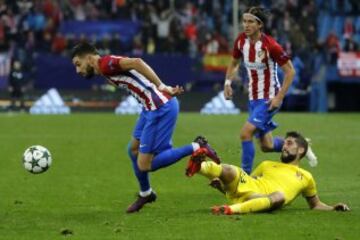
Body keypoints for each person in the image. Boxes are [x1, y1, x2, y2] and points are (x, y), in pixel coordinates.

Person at [71, 42, 220, 213]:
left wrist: (162, 87)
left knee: (145, 165)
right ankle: (146, 193)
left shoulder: (106, 64)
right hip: (149, 108)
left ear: (89, 58)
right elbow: (130, 76)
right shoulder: (104, 68)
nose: (78, 71)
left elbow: (137, 63)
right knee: (132, 150)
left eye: (78, 64)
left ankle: (197, 146)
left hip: (159, 107)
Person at [223, 6, 317, 174]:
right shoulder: (240, 41)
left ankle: (244, 178)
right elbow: (234, 62)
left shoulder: (270, 46)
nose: (246, 25)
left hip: (269, 98)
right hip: (253, 98)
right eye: (244, 21)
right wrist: (227, 83)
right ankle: (303, 145)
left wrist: (279, 98)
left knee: (245, 134)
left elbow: (290, 71)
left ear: (260, 25)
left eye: (250, 21)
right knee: (266, 146)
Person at [185, 131, 350, 215]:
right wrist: (222, 188)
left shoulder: (306, 176)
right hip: (251, 188)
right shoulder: (267, 164)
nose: (284, 146)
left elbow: (315, 205)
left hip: (267, 197)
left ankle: (229, 210)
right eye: (284, 143)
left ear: (300, 150)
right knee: (228, 169)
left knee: (279, 196)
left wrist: (333, 208)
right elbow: (246, 183)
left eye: (289, 143)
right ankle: (198, 166)